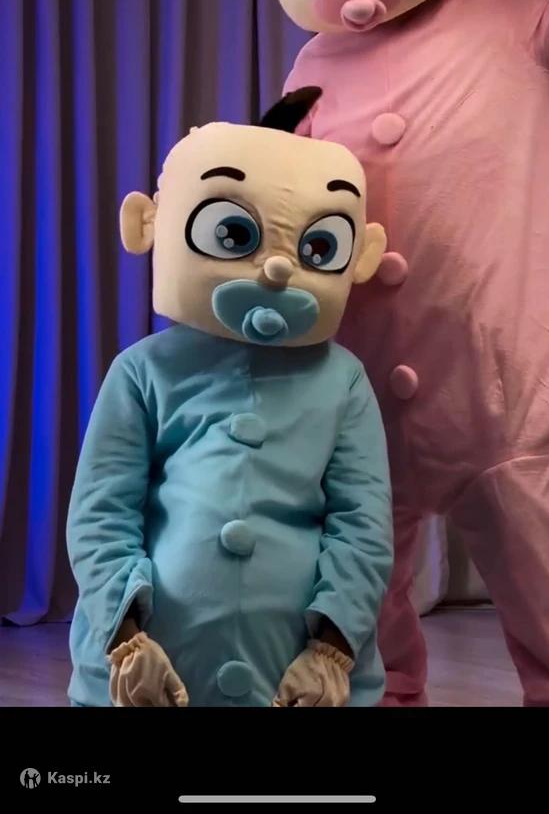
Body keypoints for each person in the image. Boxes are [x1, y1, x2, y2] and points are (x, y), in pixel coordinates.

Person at [240, 0, 549, 707]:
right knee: (355, 606)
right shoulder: (310, 65)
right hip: (357, 390)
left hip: (504, 388)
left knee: (545, 586)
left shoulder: (519, 10)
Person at [66, 89, 392, 708]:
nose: (276, 269)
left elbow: (362, 524)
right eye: (235, 234)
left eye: (318, 248)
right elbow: (101, 513)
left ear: (361, 255)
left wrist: (333, 645)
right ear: (148, 224)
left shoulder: (344, 380)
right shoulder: (142, 370)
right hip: (155, 669)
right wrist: (124, 635)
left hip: (295, 672)